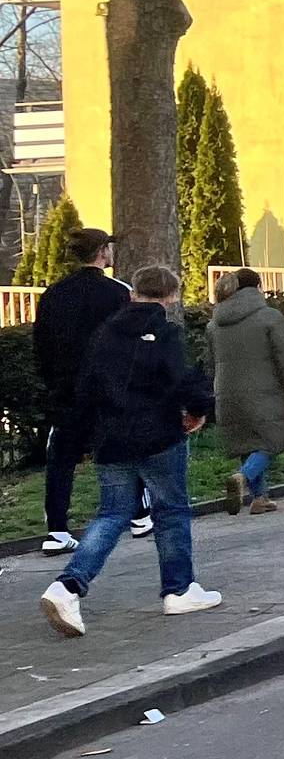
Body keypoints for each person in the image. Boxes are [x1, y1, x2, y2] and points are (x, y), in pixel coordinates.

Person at [40, 266, 220, 636]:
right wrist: (199, 410)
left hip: (112, 437)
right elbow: (182, 377)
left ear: (134, 291)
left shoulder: (104, 334)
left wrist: (90, 435)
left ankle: (69, 584)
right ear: (171, 296)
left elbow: (86, 388)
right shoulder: (168, 334)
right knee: (170, 511)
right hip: (159, 435)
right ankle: (178, 589)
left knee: (112, 514)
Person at [33, 228, 134, 555]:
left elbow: (41, 346)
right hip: (109, 390)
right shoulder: (118, 293)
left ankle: (57, 530)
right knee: (127, 450)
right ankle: (140, 514)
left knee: (60, 460)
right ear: (103, 252)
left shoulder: (52, 295)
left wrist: (53, 384)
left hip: (66, 391)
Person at [208, 269, 284, 515]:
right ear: (258, 287)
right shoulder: (270, 317)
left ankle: (260, 498)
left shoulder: (214, 323)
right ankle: (243, 477)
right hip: (265, 391)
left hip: (226, 393)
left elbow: (209, 363)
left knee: (247, 443)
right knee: (271, 440)